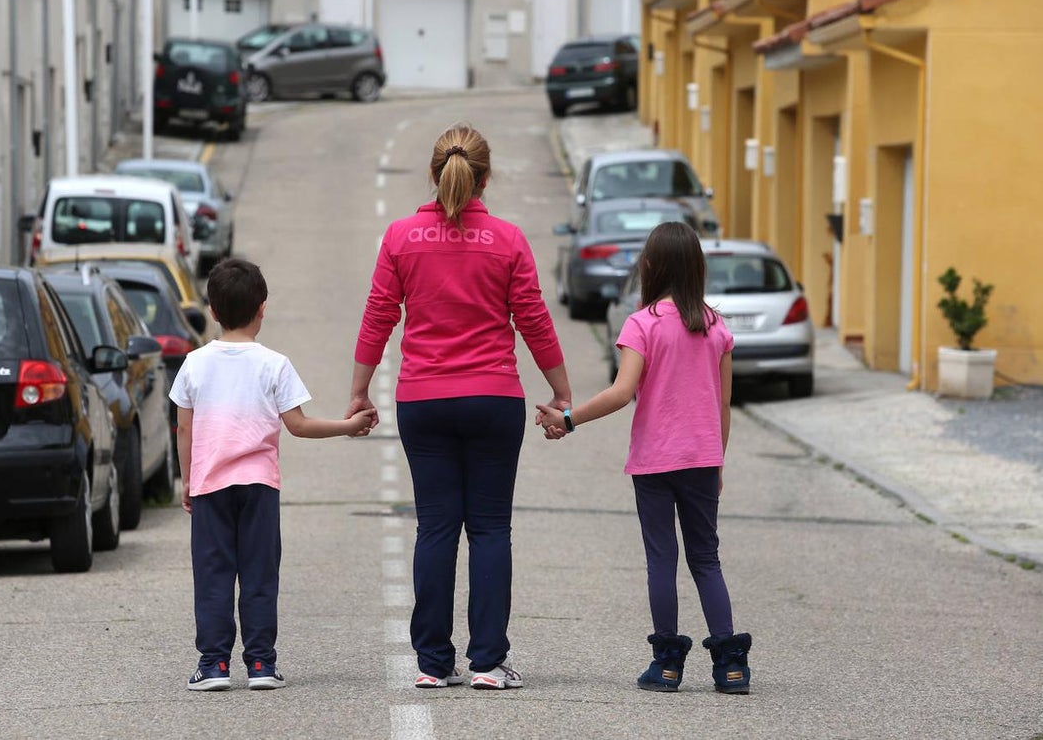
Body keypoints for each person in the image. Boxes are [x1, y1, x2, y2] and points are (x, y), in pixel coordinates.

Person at [348, 124, 571, 690]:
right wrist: (561, 390)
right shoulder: (509, 239)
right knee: (491, 529)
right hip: (493, 398)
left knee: (436, 528)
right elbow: (534, 320)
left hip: (423, 399)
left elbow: (379, 315)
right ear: (485, 178)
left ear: (432, 172)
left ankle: (431, 663)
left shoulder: (400, 237)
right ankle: (490, 663)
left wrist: (360, 390)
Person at [536, 221, 752, 695]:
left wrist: (568, 418)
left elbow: (621, 392)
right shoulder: (717, 329)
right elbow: (722, 407)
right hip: (701, 461)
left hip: (655, 463)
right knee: (706, 559)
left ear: (649, 267)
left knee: (662, 559)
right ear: (698, 268)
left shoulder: (644, 323)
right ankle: (731, 667)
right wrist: (717, 463)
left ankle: (668, 666)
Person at [170, 258, 374, 692]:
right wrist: (348, 427)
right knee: (260, 574)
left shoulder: (193, 364)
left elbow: (184, 427)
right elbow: (298, 426)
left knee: (213, 576)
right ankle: (261, 665)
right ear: (263, 308)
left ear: (211, 310)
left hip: (209, 487)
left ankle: (213, 666)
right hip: (260, 486)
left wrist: (188, 479)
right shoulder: (275, 364)